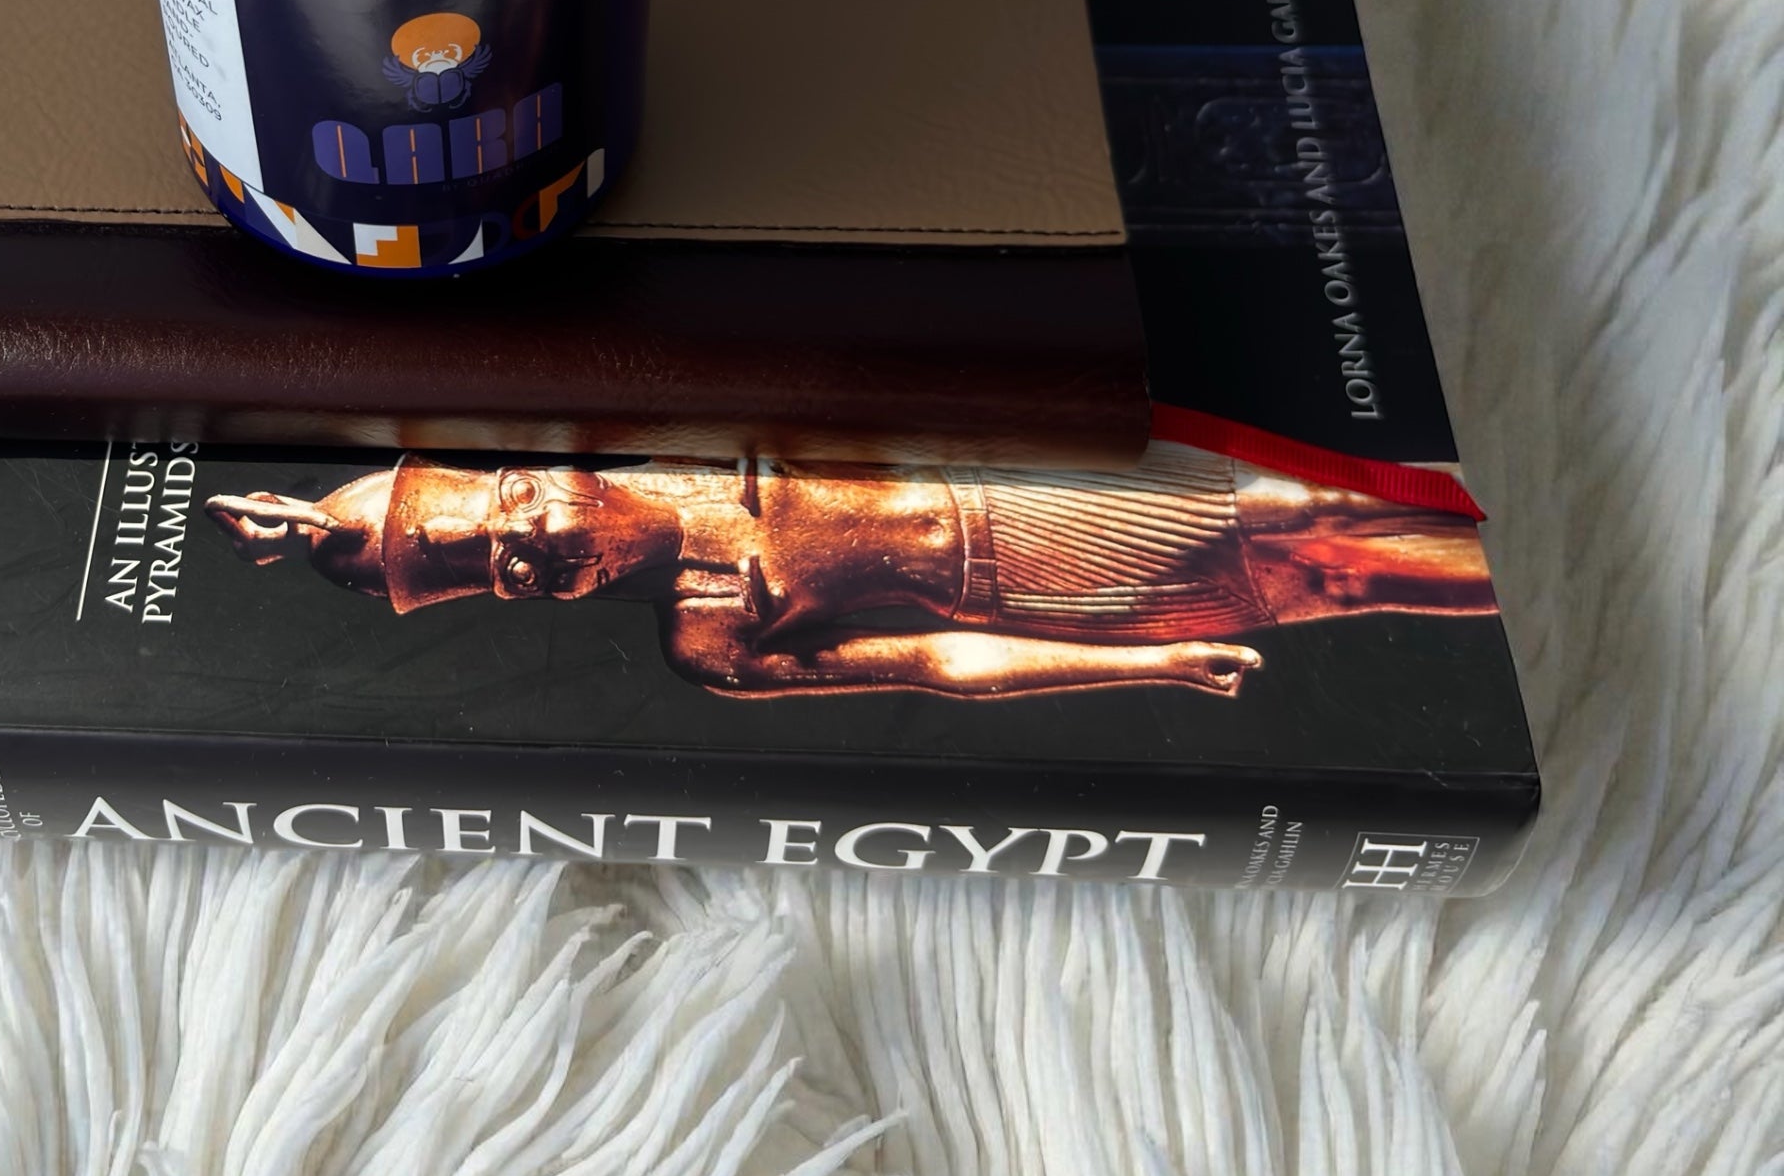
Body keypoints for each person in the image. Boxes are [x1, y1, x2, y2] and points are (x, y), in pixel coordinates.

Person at [208, 447, 1494, 703]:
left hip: (1038, 488)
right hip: (1052, 597)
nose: (529, 540)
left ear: (520, 469)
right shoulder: (710, 643)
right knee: (1342, 581)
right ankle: (1496, 584)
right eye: (499, 571)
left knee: (1320, 505)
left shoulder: (691, 437)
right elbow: (937, 661)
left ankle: (1494, 520)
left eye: (507, 508)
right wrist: (1142, 662)